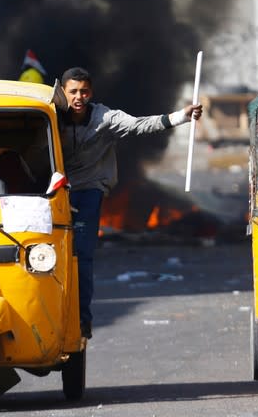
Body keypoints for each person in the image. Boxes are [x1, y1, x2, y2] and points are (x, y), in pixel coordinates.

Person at [58, 67, 203, 340]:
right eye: (73, 91)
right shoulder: (50, 115)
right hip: (54, 191)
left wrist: (181, 117)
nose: (79, 97)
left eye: (84, 91)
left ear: (92, 92)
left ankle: (81, 319)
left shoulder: (105, 118)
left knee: (82, 256)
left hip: (89, 190)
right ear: (63, 92)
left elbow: (138, 125)